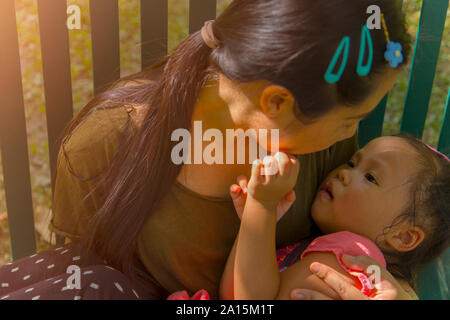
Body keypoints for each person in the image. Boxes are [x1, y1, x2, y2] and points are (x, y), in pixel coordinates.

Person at [1, 0, 417, 300]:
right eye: (350, 119)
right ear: (276, 103)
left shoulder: (326, 147)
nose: (353, 134)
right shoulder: (106, 145)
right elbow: (77, 267)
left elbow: (368, 238)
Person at [215, 134, 449, 300]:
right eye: (351, 163)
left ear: (404, 236)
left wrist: (262, 207)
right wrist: (253, 224)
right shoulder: (331, 248)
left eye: (370, 177)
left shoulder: (351, 257)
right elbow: (232, 294)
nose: (344, 174)